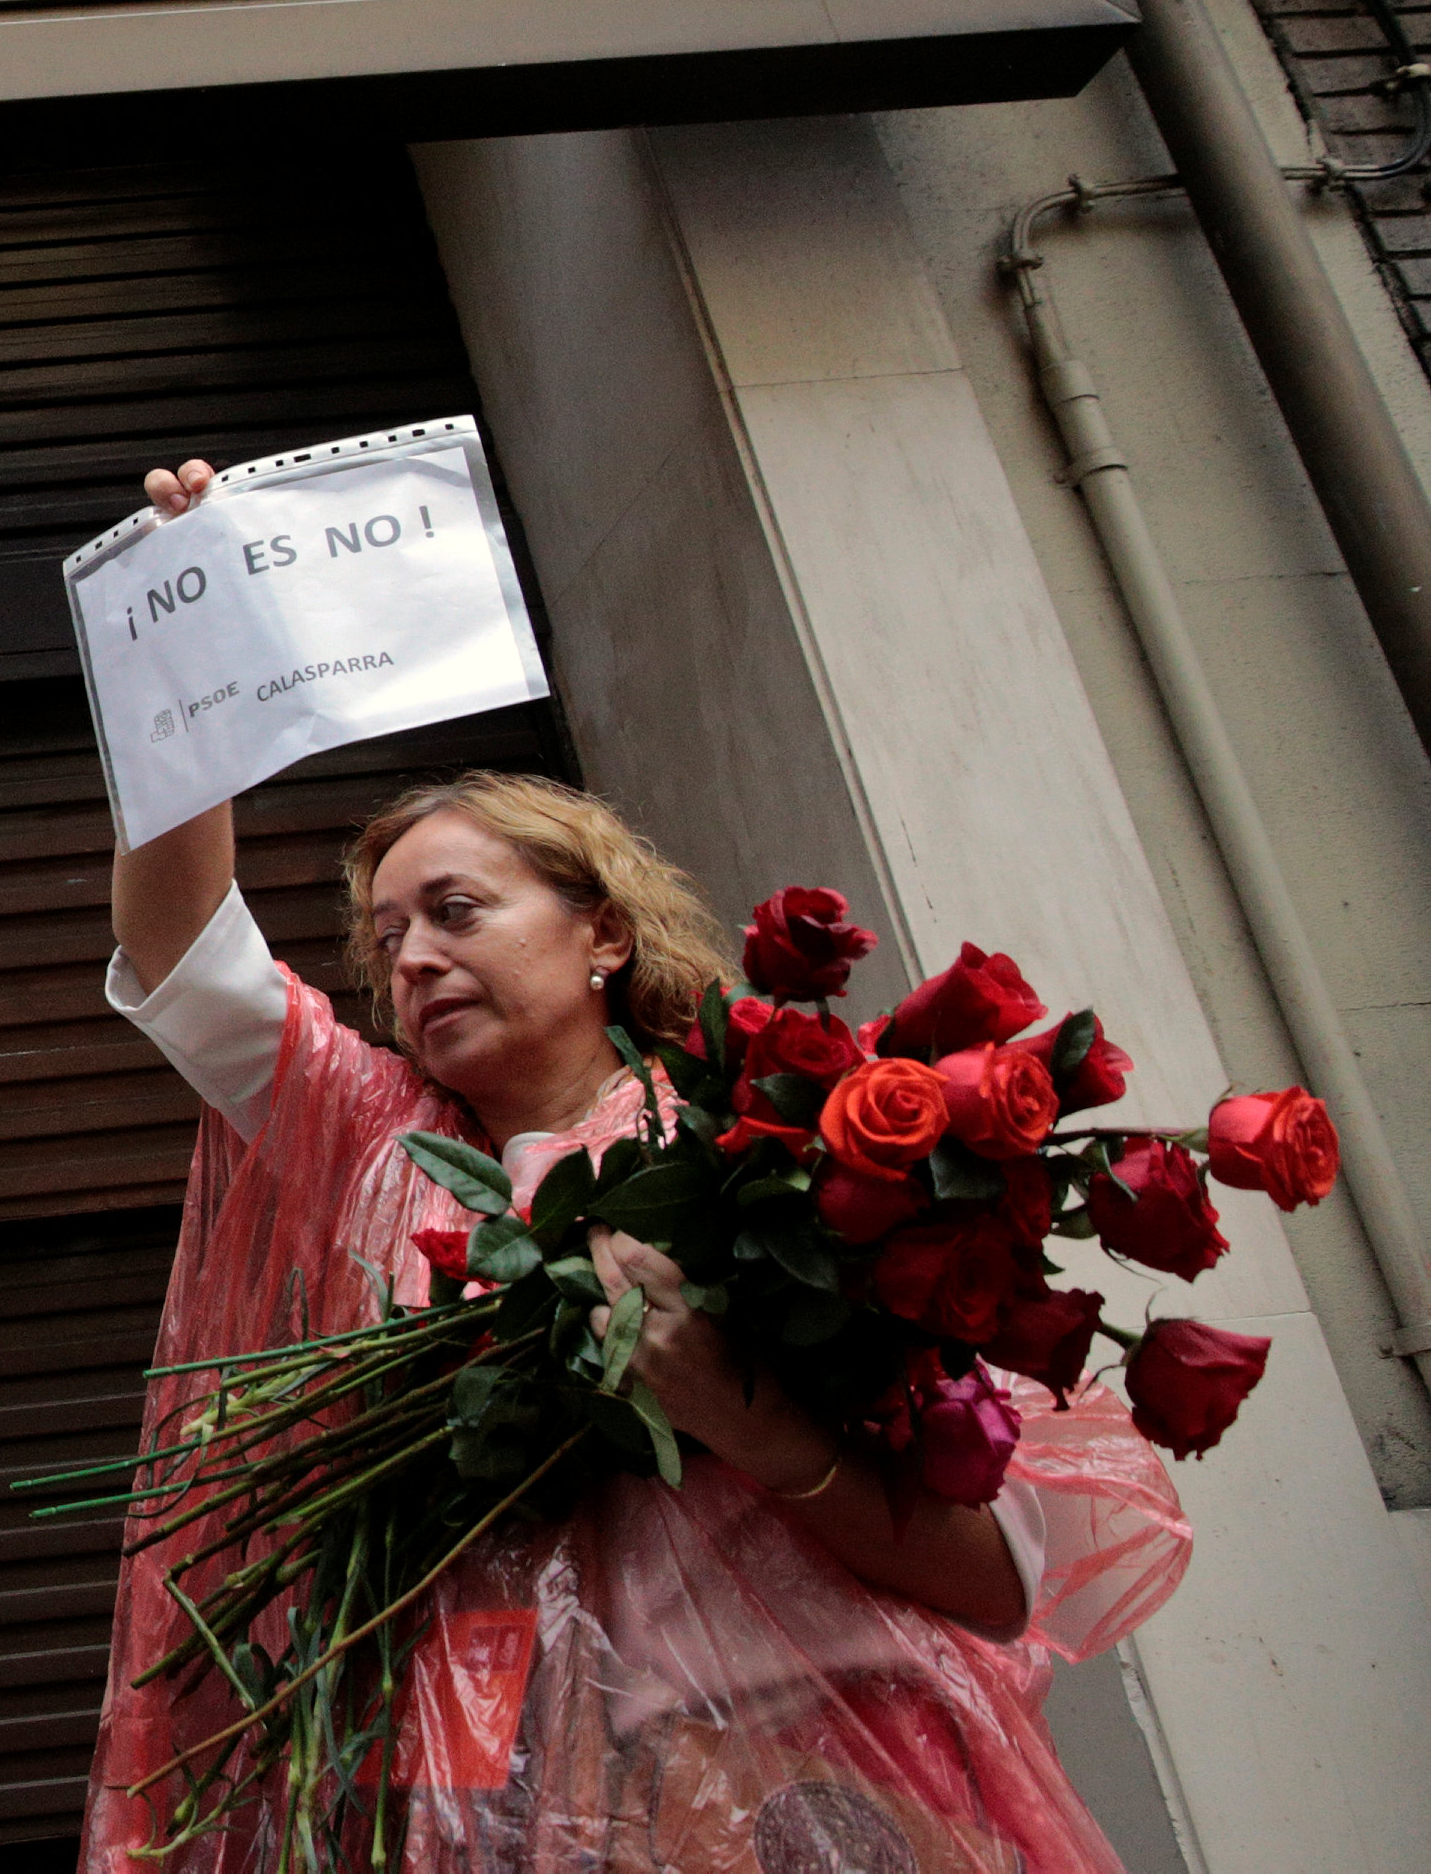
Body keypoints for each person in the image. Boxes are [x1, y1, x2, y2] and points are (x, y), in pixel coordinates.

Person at [80, 459, 1193, 1874]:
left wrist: (742, 1415)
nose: (413, 957)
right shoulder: (378, 1139)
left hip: (828, 1795)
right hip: (518, 1811)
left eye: (457, 909)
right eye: (388, 938)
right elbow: (183, 954)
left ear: (602, 930)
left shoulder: (777, 1148)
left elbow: (994, 1577)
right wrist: (187, 644)